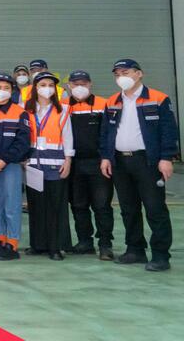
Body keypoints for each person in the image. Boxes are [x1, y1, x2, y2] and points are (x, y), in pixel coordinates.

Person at [100, 59, 176, 271]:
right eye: (117, 74)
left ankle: (161, 255)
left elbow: (168, 131)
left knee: (154, 208)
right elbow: (106, 132)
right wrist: (106, 157)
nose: (121, 77)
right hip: (120, 161)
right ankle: (135, 249)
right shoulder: (112, 101)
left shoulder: (158, 98)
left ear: (139, 74)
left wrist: (167, 157)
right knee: (128, 208)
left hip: (148, 161)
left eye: (125, 72)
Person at [0, 73, 32, 261]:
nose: (2, 91)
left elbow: (22, 142)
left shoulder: (20, 112)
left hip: (10, 166)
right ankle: (1, 240)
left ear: (12, 91)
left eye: (6, 88)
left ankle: (12, 243)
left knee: (12, 205)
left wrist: (4, 160)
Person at [64, 70, 113, 260]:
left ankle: (105, 244)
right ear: (69, 86)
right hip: (74, 164)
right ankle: (85, 241)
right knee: (78, 204)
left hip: (98, 163)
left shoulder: (103, 104)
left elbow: (109, 135)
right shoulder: (63, 106)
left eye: (83, 83)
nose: (79, 87)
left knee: (101, 205)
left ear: (90, 84)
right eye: (75, 84)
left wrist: (106, 158)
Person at [24, 72, 72, 260]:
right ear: (35, 88)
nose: (47, 88)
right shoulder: (26, 110)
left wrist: (68, 160)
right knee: (36, 206)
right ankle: (37, 245)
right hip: (33, 166)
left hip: (55, 166)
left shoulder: (62, 110)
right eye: (43, 84)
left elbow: (68, 137)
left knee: (55, 207)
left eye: (51, 85)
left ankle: (55, 247)